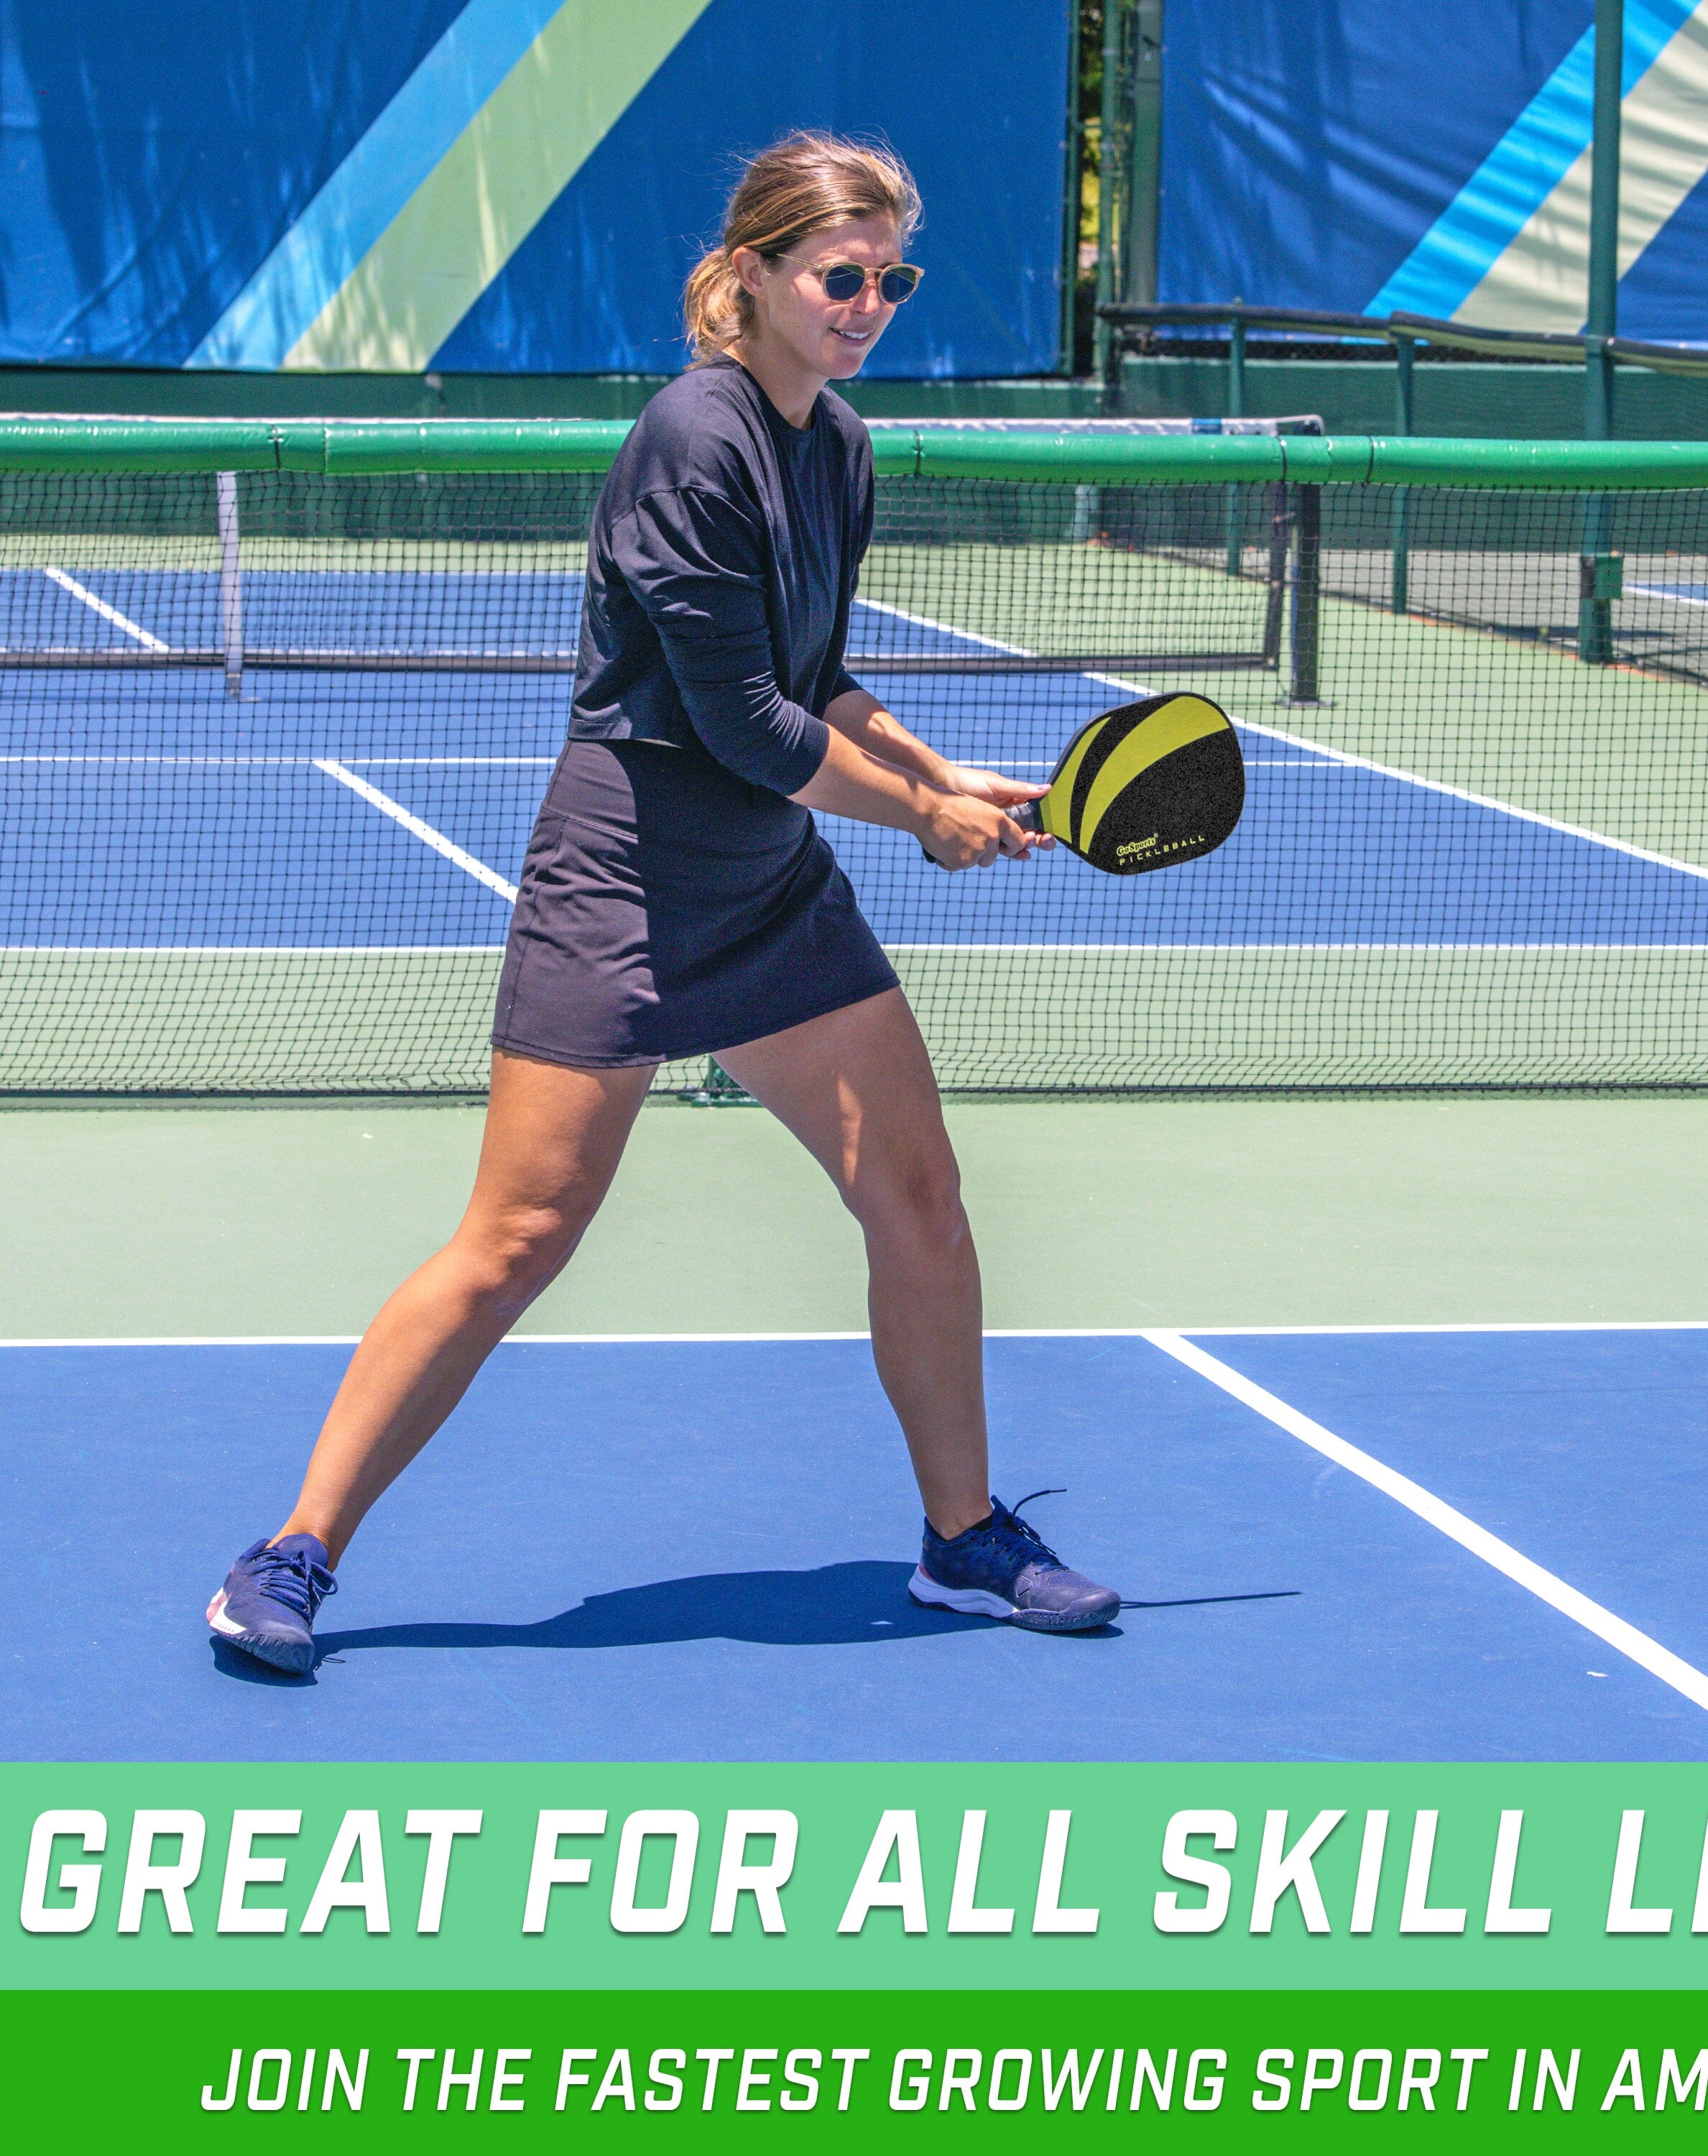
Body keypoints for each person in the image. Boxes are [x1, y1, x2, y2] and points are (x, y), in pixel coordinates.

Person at [206, 132, 1120, 1674]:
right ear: (752, 273)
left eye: (892, 279)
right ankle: (289, 1554)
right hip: (624, 880)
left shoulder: (838, 445)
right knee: (518, 1237)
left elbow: (814, 675)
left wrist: (939, 770)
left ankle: (964, 1535)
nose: (869, 305)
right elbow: (741, 723)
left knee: (919, 1199)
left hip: (769, 890)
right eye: (841, 276)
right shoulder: (693, 439)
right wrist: (922, 821)